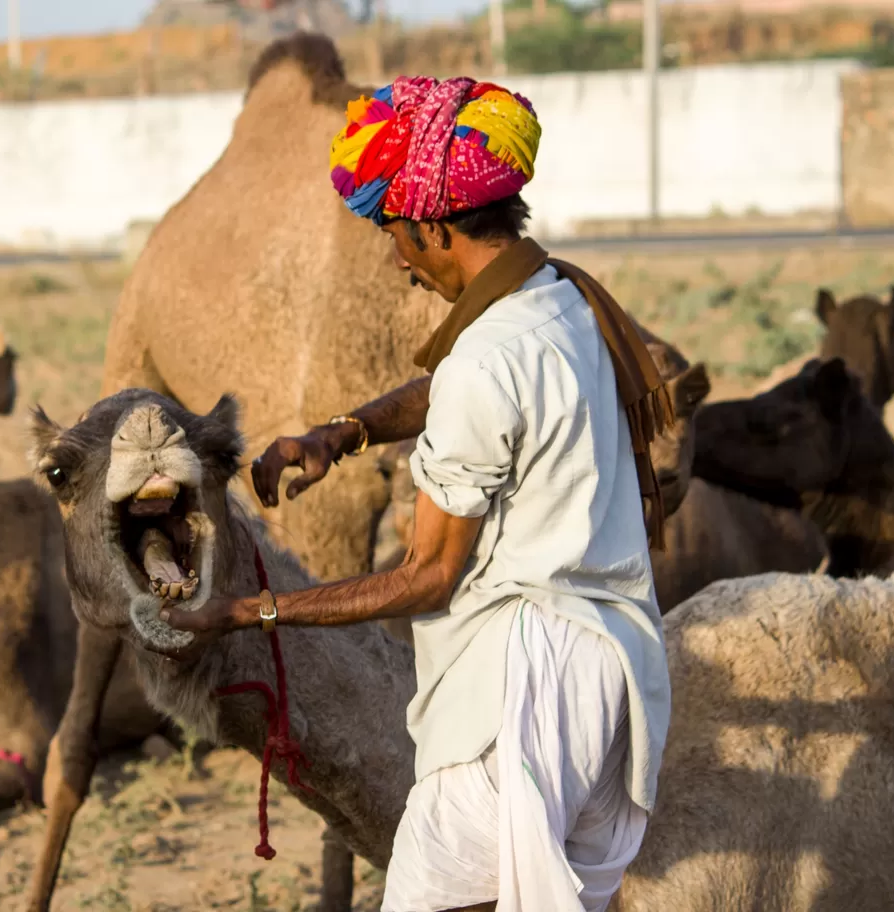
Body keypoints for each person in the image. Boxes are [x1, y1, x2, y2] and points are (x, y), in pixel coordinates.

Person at [163, 78, 672, 911]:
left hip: (519, 703)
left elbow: (426, 576)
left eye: (396, 234)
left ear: (434, 224)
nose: (398, 261)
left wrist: (249, 612)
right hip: (609, 672)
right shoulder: (562, 300)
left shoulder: (484, 359)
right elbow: (466, 384)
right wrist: (345, 431)